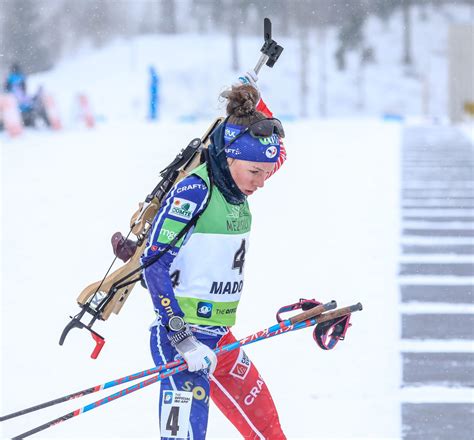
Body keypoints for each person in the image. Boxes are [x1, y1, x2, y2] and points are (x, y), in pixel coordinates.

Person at [141, 73, 287, 439]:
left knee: (268, 430)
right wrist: (182, 339)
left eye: (267, 174)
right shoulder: (195, 192)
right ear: (231, 156)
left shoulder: (240, 180)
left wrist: (255, 103)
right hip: (182, 341)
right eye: (256, 172)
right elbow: (153, 265)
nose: (262, 182)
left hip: (219, 340)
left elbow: (276, 153)